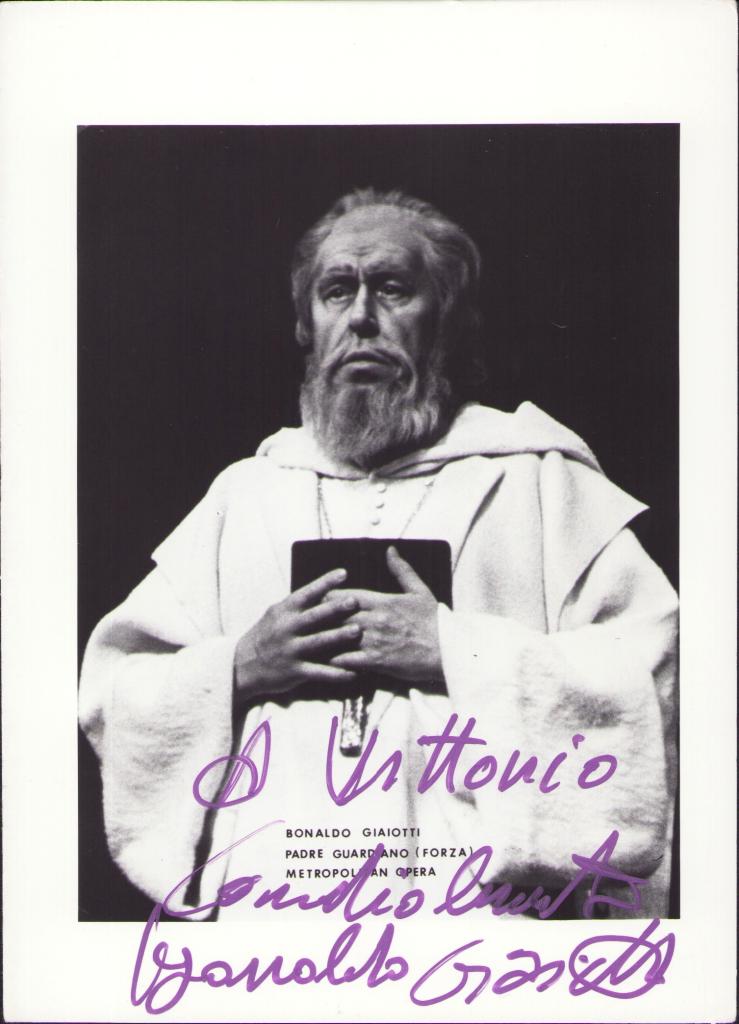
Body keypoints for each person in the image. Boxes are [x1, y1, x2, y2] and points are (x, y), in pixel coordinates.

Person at [79, 188, 677, 921]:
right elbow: (117, 688)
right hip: (278, 914)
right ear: (306, 326)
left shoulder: (538, 483)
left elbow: (652, 672)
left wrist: (455, 651)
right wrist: (237, 668)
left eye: (392, 288)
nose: (361, 317)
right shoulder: (246, 494)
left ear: (447, 317)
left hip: (478, 917)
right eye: (336, 291)